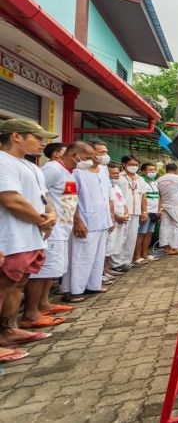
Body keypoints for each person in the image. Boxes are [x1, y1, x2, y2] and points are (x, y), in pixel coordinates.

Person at [0, 119, 58, 362]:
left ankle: (7, 329)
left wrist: (51, 215)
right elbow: (11, 200)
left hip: (31, 237)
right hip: (10, 237)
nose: (42, 142)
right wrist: (40, 220)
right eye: (37, 137)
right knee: (2, 286)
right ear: (16, 136)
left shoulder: (32, 166)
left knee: (18, 285)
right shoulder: (3, 162)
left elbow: (45, 199)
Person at [24, 141, 94, 325]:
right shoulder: (52, 170)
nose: (88, 162)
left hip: (63, 228)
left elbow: (70, 199)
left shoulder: (70, 173)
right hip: (50, 229)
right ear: (74, 155)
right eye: (86, 158)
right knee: (42, 271)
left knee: (53, 269)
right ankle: (31, 313)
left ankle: (44, 304)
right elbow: (36, 195)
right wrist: (44, 219)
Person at [63, 140, 113, 301]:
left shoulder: (103, 170)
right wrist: (77, 220)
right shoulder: (77, 171)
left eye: (105, 152)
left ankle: (93, 286)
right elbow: (71, 197)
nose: (104, 156)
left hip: (102, 220)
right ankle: (74, 290)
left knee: (97, 256)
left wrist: (110, 217)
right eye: (100, 152)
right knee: (80, 256)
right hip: (85, 220)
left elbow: (107, 196)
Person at [111, 155, 147, 270]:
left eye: (136, 165)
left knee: (131, 238)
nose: (133, 167)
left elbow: (143, 196)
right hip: (122, 212)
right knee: (120, 238)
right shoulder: (119, 177)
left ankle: (126, 261)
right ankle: (116, 263)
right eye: (131, 164)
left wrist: (144, 211)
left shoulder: (140, 179)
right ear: (124, 164)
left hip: (136, 212)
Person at [157, 163, 178, 255]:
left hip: (165, 204)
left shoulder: (159, 179)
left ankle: (166, 247)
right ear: (176, 169)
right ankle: (174, 248)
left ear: (166, 169)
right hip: (177, 205)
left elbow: (159, 193)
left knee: (165, 225)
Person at [105, 164, 129, 277]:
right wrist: (116, 217)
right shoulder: (106, 187)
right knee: (107, 247)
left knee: (114, 246)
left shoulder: (117, 187)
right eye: (113, 173)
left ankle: (108, 269)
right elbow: (107, 205)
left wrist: (126, 214)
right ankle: (103, 272)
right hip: (112, 220)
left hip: (121, 220)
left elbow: (123, 203)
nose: (115, 175)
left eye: (117, 173)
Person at [134, 163, 160, 263]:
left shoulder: (154, 182)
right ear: (144, 171)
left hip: (154, 212)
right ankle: (137, 255)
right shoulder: (141, 181)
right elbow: (141, 197)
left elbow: (158, 196)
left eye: (154, 170)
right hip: (145, 211)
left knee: (149, 233)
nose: (153, 172)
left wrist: (159, 210)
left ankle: (144, 253)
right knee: (141, 233)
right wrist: (143, 211)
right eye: (150, 170)